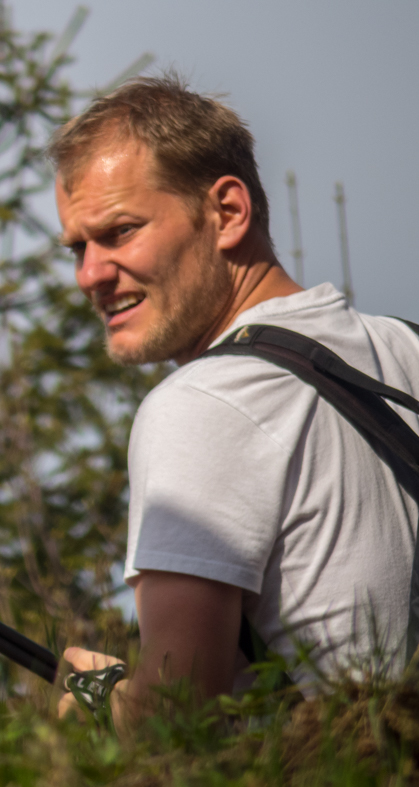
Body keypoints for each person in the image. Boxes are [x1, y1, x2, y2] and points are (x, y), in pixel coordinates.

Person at [48, 75, 419, 723]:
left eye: (119, 232)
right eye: (78, 247)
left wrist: (92, 699)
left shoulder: (201, 403)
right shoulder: (405, 350)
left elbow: (176, 715)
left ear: (226, 212)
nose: (89, 275)